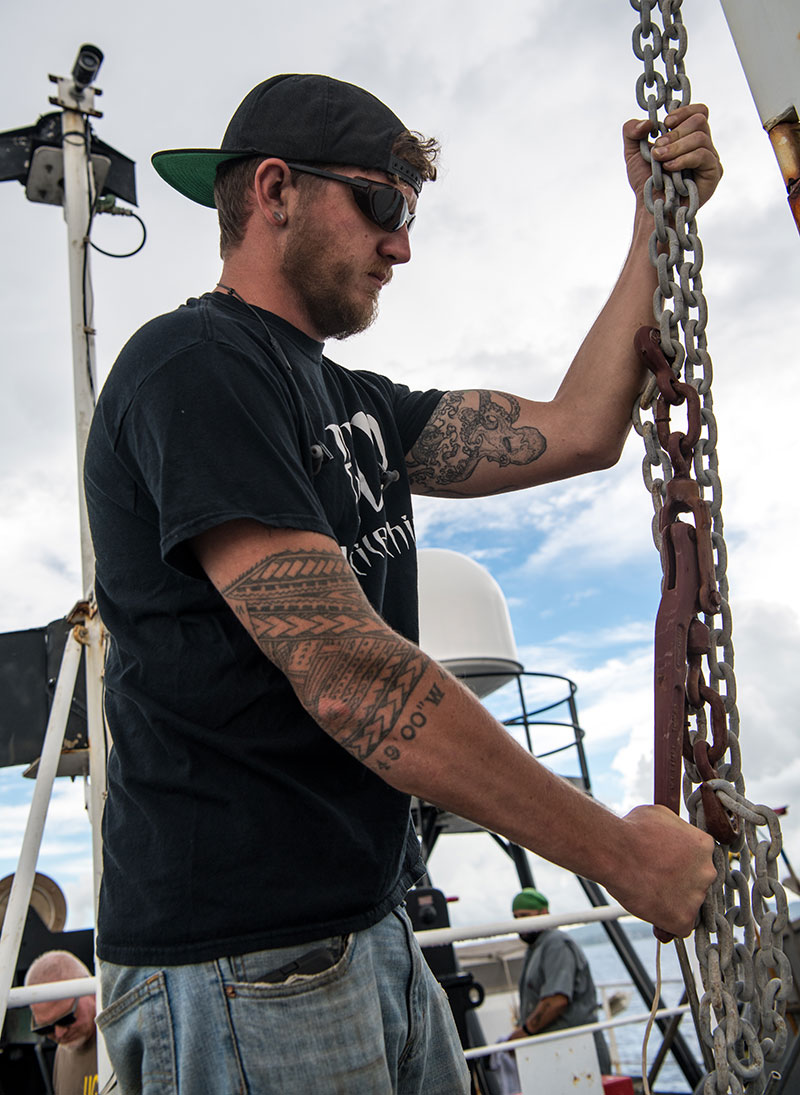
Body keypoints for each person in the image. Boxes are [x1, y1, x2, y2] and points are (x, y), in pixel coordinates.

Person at [83, 73, 722, 1094]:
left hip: (365, 924)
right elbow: (350, 675)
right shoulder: (191, 367)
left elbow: (581, 426)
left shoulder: (361, 407)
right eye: (382, 204)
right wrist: (617, 856)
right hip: (244, 963)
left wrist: (656, 221)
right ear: (276, 191)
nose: (402, 245)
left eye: (410, 212)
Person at [508, 887, 611, 1075]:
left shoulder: (556, 944)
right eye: (515, 918)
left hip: (577, 1052)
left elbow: (556, 1001)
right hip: (561, 1052)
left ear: (544, 913)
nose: (519, 924)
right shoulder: (536, 948)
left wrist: (525, 1032)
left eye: (524, 916)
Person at [25, 950, 98, 1095]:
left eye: (66, 1019)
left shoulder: (123, 1035)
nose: (59, 1033)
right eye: (46, 1029)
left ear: (91, 992)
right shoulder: (62, 1052)